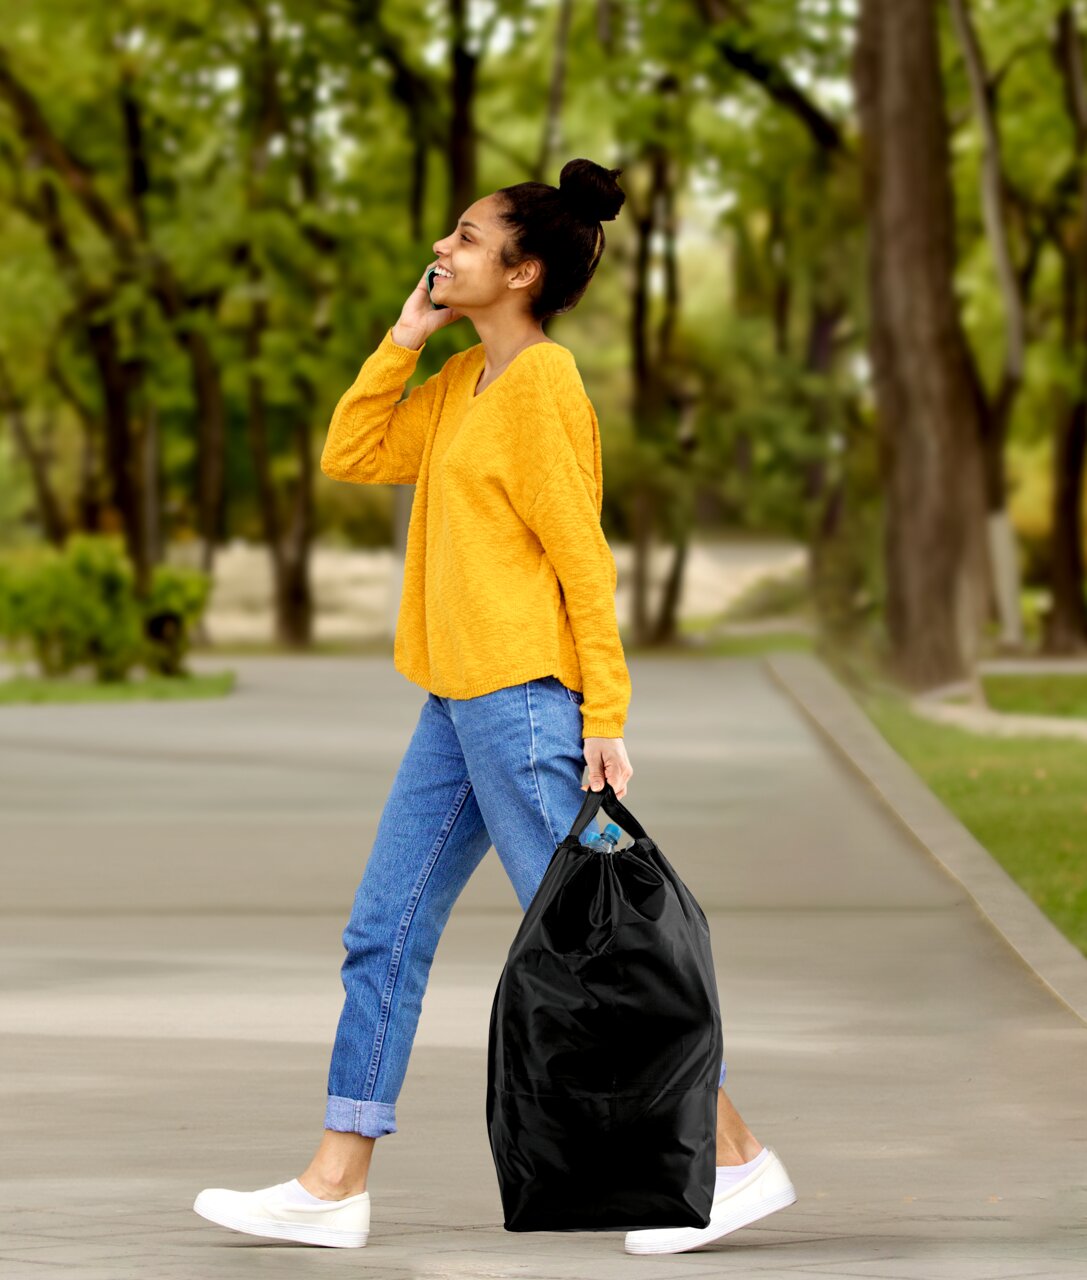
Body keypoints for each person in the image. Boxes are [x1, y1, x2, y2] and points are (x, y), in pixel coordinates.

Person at [193, 158, 795, 1255]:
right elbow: (351, 451)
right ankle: (334, 1183)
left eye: (468, 237)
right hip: (456, 703)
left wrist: (603, 710)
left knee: (593, 949)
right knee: (383, 931)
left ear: (522, 271)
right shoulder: (460, 381)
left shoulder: (543, 385)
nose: (444, 246)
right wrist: (404, 339)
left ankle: (738, 1161)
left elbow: (582, 555)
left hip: (521, 703)